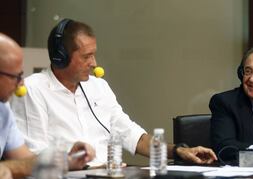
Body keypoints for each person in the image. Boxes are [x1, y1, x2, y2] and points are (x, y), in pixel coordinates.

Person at [10, 19, 217, 166]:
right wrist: (81, 164)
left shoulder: (98, 87)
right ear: (60, 57)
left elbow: (132, 135)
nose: (94, 64)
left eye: (94, 55)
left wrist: (179, 151)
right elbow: (32, 156)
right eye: (86, 56)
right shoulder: (33, 89)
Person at [0, 33, 95, 179]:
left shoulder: (4, 110)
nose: (21, 85)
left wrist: (66, 159)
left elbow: (24, 161)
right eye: (16, 77)